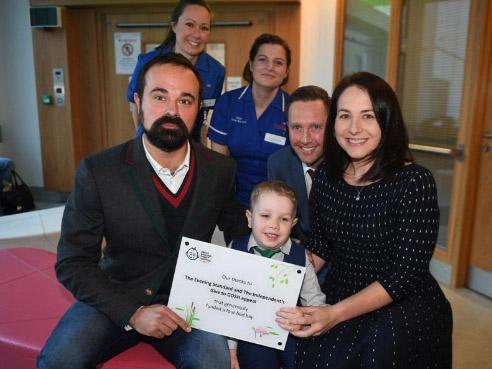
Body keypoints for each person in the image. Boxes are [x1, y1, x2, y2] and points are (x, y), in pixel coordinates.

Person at [37, 53, 249, 369]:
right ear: (138, 102)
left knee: (213, 362)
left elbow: (239, 231)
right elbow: (72, 261)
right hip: (114, 296)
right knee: (58, 360)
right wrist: (133, 313)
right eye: (159, 96)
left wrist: (283, 245)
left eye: (185, 101)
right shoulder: (99, 171)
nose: (172, 111)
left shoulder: (220, 170)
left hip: (188, 303)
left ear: (199, 111)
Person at [276, 72, 453, 368]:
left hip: (399, 300)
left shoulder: (414, 181)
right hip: (341, 287)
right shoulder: (326, 180)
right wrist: (273, 271)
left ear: (386, 120)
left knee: (377, 349)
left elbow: (404, 276)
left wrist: (334, 314)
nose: (354, 128)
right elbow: (320, 247)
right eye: (344, 116)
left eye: (367, 116)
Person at [228, 180, 325, 369]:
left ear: (293, 224)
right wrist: (231, 349)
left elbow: (314, 300)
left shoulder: (300, 256)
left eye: (284, 219)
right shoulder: (235, 249)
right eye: (265, 215)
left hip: (292, 331)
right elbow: (228, 305)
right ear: (249, 218)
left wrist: (309, 323)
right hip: (250, 333)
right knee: (258, 360)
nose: (274, 225)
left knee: (306, 360)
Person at [208, 33, 291, 208]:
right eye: (263, 59)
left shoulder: (293, 109)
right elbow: (220, 164)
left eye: (278, 62)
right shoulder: (228, 103)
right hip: (234, 200)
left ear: (286, 72)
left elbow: (295, 167)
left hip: (279, 203)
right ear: (251, 65)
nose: (270, 67)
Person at [127, 0, 225, 142]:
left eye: (204, 28)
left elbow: (205, 115)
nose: (197, 34)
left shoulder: (216, 72)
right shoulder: (147, 62)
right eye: (189, 24)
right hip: (151, 142)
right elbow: (134, 104)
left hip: (189, 145)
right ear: (174, 26)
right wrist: (141, 136)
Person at [267, 85, 330, 245]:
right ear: (287, 127)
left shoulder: (349, 166)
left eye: (315, 127)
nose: (305, 139)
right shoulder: (278, 163)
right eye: (297, 127)